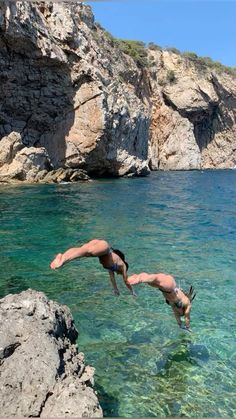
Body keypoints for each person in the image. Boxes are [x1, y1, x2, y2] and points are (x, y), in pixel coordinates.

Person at [50, 239, 136, 296]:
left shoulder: (113, 267)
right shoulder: (123, 266)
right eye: (120, 274)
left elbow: (112, 278)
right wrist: (132, 292)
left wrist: (115, 289)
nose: (118, 274)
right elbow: (126, 281)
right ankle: (62, 260)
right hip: (104, 246)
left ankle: (62, 257)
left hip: (99, 244)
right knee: (87, 252)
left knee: (83, 251)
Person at [127, 272, 196, 331]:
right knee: (148, 279)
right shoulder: (187, 304)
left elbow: (177, 316)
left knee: (148, 280)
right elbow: (187, 318)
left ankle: (137, 276)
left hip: (165, 288)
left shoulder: (175, 305)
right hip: (170, 286)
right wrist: (188, 327)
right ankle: (139, 278)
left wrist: (180, 325)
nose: (178, 312)